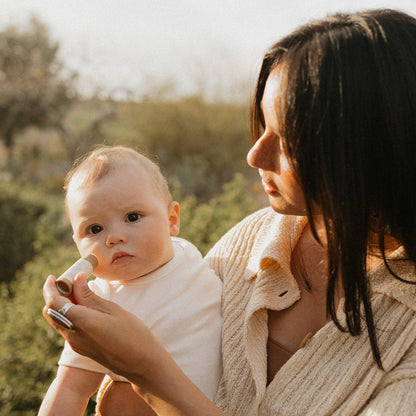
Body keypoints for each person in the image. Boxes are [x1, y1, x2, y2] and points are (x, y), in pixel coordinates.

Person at [42, 8, 416, 415]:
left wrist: (148, 371)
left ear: (369, 148)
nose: (255, 154)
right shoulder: (252, 241)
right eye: (261, 127)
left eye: (287, 140)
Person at [38, 146, 223, 416]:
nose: (114, 237)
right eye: (95, 229)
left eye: (133, 217)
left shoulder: (188, 254)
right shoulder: (97, 305)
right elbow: (71, 388)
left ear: (172, 220)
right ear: (77, 243)